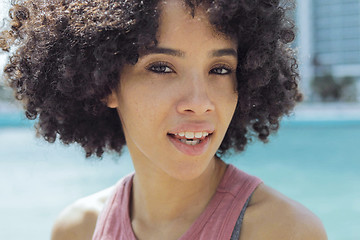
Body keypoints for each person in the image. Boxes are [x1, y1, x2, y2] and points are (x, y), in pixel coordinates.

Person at [0, 0, 327, 239]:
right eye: (161, 68)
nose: (199, 104)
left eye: (220, 70)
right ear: (105, 84)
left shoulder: (285, 231)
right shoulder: (77, 230)